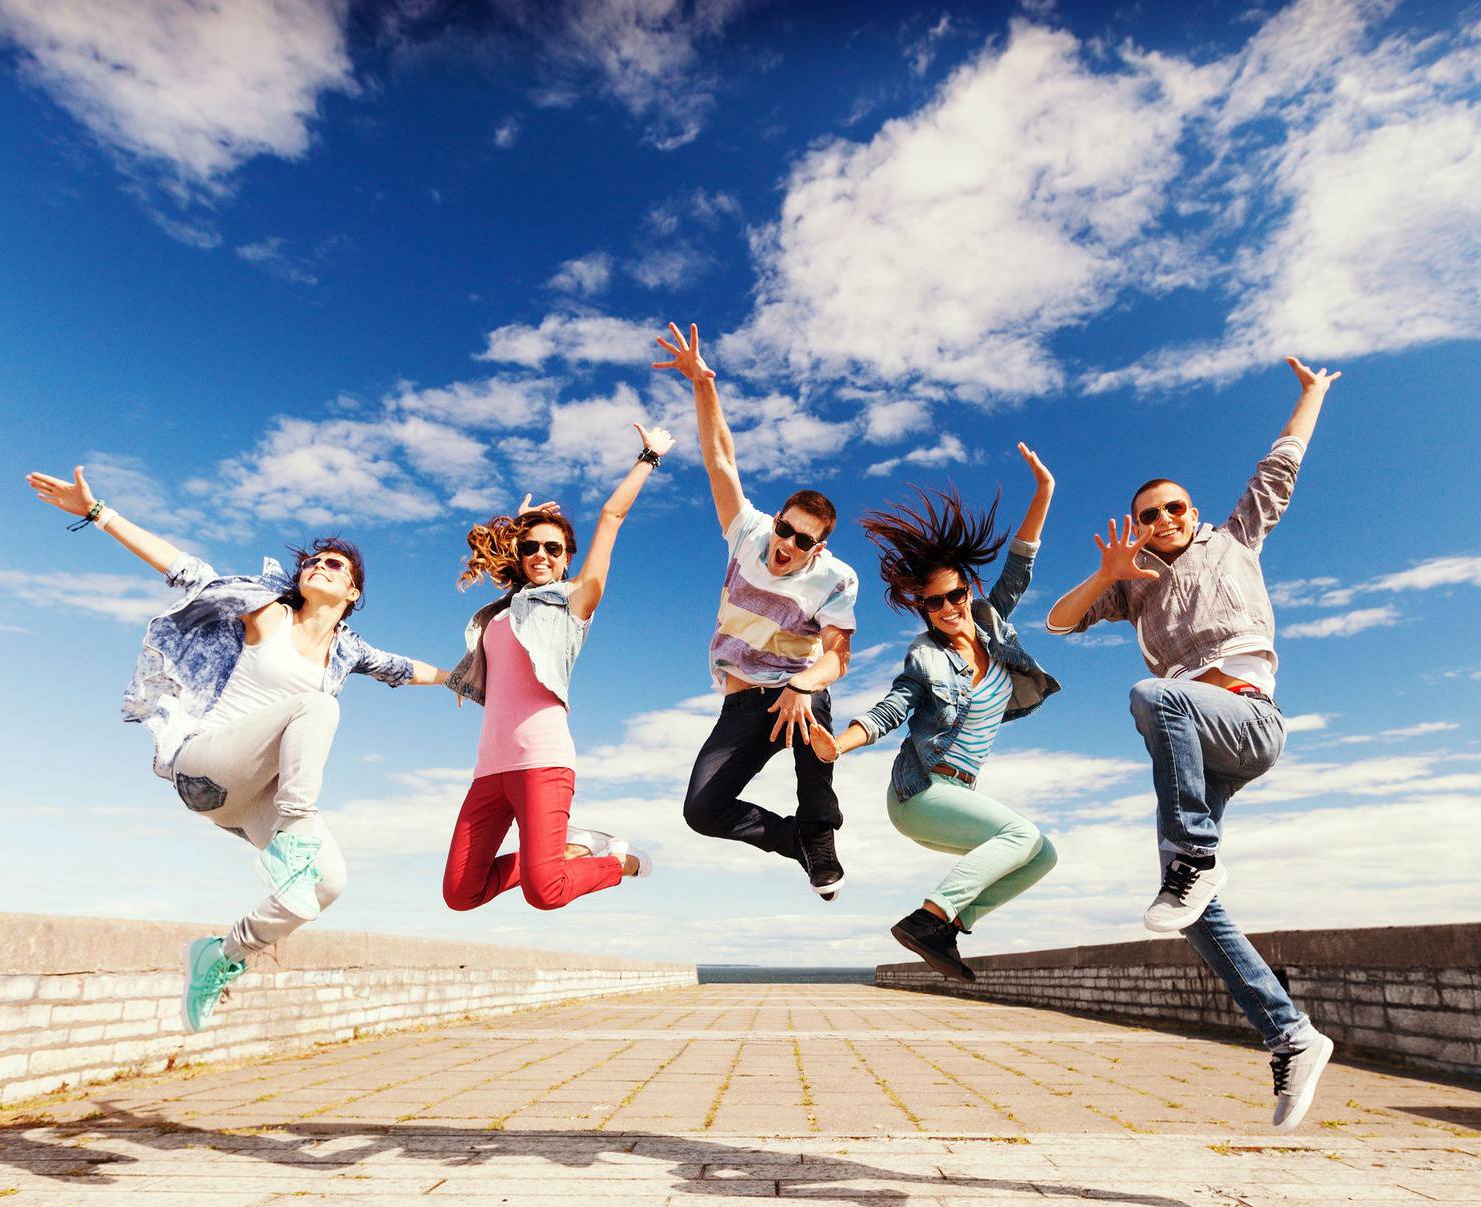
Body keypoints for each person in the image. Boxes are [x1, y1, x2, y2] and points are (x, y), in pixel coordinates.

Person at [24, 465, 450, 1033]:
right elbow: (184, 569)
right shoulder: (266, 612)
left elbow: (408, 669)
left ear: (353, 592)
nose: (318, 566)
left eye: (335, 564)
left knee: (325, 886)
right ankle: (294, 839)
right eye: (313, 561)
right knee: (318, 708)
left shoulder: (347, 652)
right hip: (203, 765)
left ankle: (221, 956)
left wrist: (467, 681)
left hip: (250, 798)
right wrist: (99, 513)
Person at [1042, 356, 1343, 1131]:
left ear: (1193, 511)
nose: (1164, 520)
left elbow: (1281, 466)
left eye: (1174, 508)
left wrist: (1309, 396)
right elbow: (1058, 622)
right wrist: (1107, 571)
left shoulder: (1235, 539)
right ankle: (1292, 1034)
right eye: (1149, 515)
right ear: (1138, 528)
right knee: (1185, 910)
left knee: (1154, 695)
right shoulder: (1133, 581)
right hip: (1197, 742)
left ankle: (1195, 854)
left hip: (1245, 717)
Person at [809, 443, 1061, 980]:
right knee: (1019, 836)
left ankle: (947, 926)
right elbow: (892, 708)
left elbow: (1021, 561)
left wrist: (1044, 491)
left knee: (1042, 855)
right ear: (921, 607)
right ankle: (928, 918)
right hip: (919, 794)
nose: (948, 609)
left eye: (955, 595)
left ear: (968, 590)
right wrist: (840, 743)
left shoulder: (992, 623)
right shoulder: (925, 656)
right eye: (934, 602)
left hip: (957, 796)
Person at [653, 322, 859, 900]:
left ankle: (819, 835)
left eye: (800, 540)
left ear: (819, 546)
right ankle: (791, 838)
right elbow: (721, 458)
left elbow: (837, 659)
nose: (785, 545)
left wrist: (799, 684)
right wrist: (702, 384)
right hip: (742, 703)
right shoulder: (748, 531)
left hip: (794, 692)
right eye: (784, 529)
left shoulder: (837, 579)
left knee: (813, 708)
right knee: (702, 809)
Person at [439, 425, 666, 911]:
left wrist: (648, 456)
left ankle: (614, 860)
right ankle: (562, 847)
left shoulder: (574, 604)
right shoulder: (501, 612)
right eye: (530, 548)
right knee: (461, 893)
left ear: (566, 561)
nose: (541, 554)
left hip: (543, 760)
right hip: (490, 767)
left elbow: (612, 515)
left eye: (553, 549)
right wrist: (522, 524)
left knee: (547, 893)